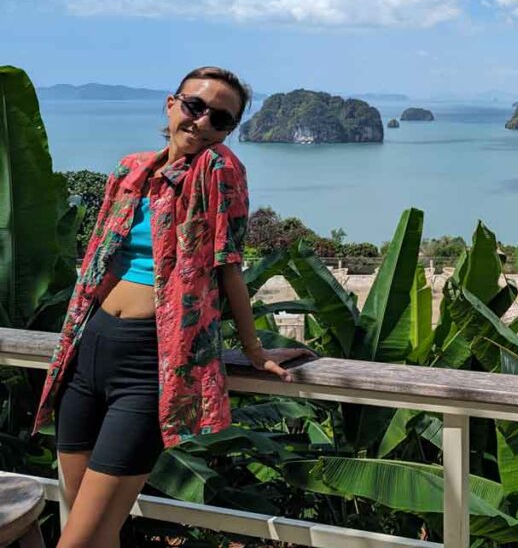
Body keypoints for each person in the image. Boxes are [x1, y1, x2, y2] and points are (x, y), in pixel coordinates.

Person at [33, 66, 310, 547]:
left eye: (220, 119)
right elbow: (101, 252)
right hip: (89, 346)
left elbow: (229, 266)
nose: (203, 122)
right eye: (194, 106)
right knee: (87, 527)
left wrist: (253, 347)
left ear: (229, 131)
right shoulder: (130, 170)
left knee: (77, 540)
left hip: (149, 361)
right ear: (171, 104)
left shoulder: (220, 172)